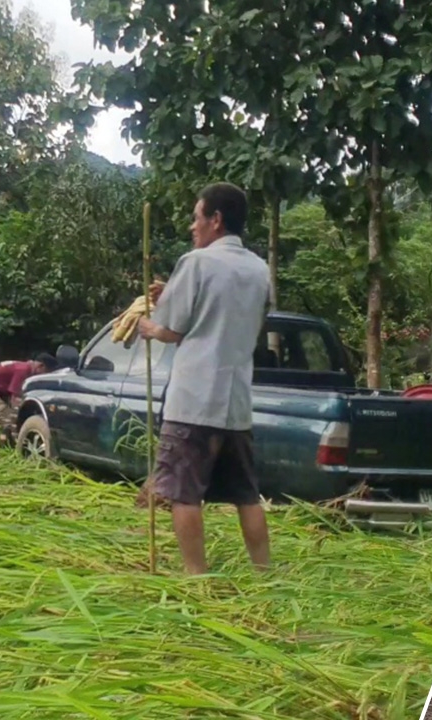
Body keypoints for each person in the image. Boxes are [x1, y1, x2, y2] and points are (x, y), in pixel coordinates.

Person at [136, 182, 272, 575]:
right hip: (236, 405)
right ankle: (265, 576)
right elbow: (223, 312)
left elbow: (172, 328)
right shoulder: (259, 269)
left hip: (194, 401)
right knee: (247, 495)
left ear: (216, 219)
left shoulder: (196, 263)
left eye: (197, 217)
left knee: (184, 495)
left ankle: (197, 579)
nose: (192, 227)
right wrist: (171, 294)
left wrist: (148, 326)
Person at [0, 354, 57, 426]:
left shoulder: (24, 367)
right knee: (9, 419)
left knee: (11, 417)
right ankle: (9, 442)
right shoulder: (23, 371)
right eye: (46, 372)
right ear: (41, 366)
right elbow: (15, 398)